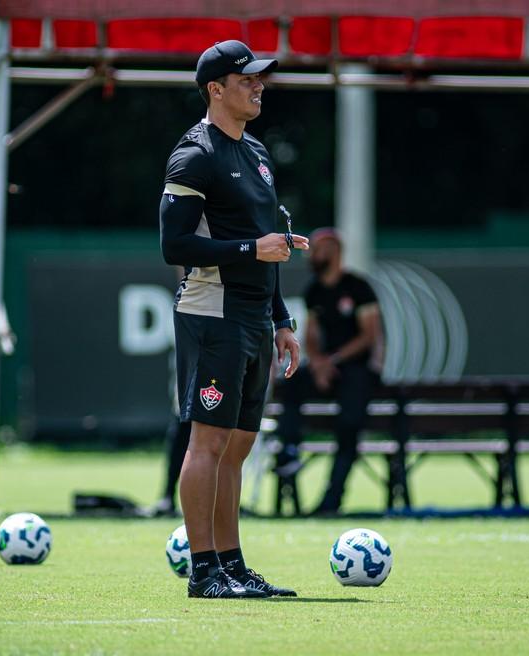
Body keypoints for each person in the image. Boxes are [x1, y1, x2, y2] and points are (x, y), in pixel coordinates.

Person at [159, 40, 309, 599]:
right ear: (215, 89)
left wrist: (282, 319)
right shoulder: (194, 154)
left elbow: (268, 247)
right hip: (212, 314)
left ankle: (233, 566)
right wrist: (252, 249)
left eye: (259, 78)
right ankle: (203, 573)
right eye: (247, 79)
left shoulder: (258, 152)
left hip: (253, 319)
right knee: (208, 443)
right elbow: (174, 246)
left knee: (239, 447)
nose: (258, 86)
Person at [277, 228, 381, 515]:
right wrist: (319, 363)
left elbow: (368, 336)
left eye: (318, 249)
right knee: (291, 383)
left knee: (349, 425)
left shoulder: (358, 287)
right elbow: (311, 334)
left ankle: (332, 497)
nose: (311, 255)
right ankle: (289, 451)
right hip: (327, 370)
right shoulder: (314, 291)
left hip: (356, 370)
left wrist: (332, 360)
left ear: (335, 251)